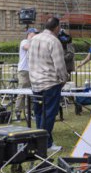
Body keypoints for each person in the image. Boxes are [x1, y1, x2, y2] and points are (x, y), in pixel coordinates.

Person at [28, 17, 69, 151]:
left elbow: (30, 61)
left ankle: (41, 141)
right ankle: (45, 144)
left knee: (39, 113)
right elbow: (60, 65)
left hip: (35, 83)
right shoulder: (54, 41)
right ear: (57, 27)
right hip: (50, 83)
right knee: (49, 115)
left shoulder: (33, 39)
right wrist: (64, 79)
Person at [14, 27, 38, 121]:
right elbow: (27, 47)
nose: (36, 35)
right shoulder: (24, 41)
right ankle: (18, 112)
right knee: (22, 91)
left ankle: (29, 112)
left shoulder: (34, 43)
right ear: (30, 34)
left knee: (31, 92)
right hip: (24, 71)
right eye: (34, 34)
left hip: (32, 71)